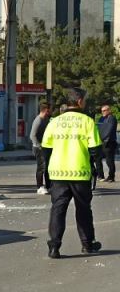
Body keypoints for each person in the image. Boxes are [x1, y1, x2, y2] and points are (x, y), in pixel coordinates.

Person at [41, 87, 102, 258]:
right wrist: (95, 167)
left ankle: (54, 247)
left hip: (58, 172)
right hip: (80, 172)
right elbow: (96, 150)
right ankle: (87, 244)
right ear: (80, 101)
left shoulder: (54, 122)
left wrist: (48, 170)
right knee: (83, 210)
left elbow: (45, 149)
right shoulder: (87, 122)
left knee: (58, 209)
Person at [29, 103, 51, 194]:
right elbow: (32, 135)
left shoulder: (46, 119)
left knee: (47, 167)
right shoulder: (38, 120)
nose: (51, 112)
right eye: (49, 110)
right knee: (41, 167)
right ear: (46, 110)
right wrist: (39, 146)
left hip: (45, 146)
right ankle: (40, 187)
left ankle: (49, 186)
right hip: (38, 148)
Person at [96, 104, 117, 182]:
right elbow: (98, 128)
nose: (103, 112)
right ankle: (100, 176)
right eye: (102, 111)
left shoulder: (112, 118)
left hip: (109, 142)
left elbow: (109, 130)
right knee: (98, 159)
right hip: (101, 142)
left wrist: (103, 138)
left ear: (109, 110)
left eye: (104, 110)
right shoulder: (101, 118)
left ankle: (111, 177)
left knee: (109, 160)